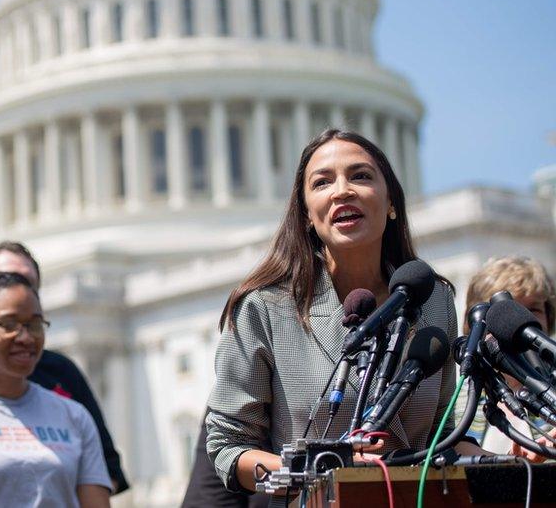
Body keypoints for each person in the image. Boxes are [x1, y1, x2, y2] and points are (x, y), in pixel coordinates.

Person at [206, 129, 484, 503]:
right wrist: (319, 470)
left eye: (361, 176)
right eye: (322, 182)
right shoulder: (263, 308)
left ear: (391, 203)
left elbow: (442, 431)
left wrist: (506, 460)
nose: (342, 191)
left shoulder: (434, 299)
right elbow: (228, 445)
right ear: (306, 214)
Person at [0, 241, 129, 494]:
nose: (19, 291)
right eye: (5, 281)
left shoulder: (66, 389)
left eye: (28, 284)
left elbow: (106, 468)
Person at [457, 255, 556, 460]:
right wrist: (510, 464)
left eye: (534, 309)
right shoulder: (457, 399)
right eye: (508, 312)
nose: (520, 322)